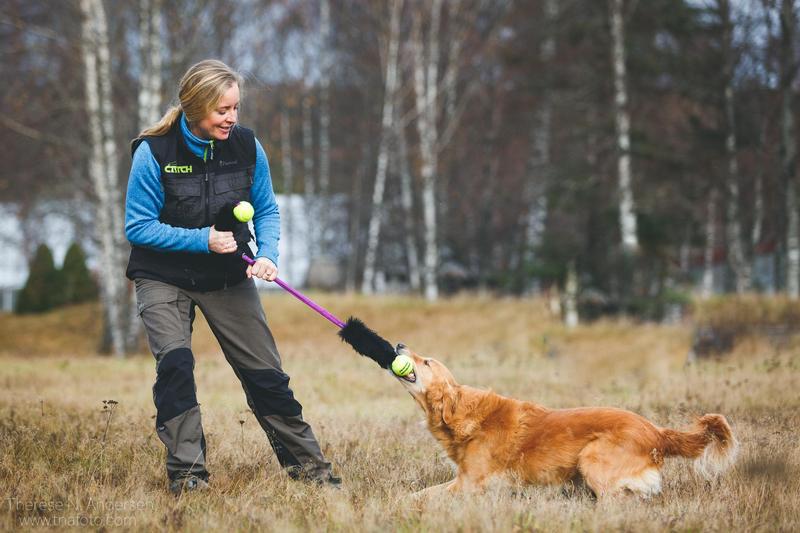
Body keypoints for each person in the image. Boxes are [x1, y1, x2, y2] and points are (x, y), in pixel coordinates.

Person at [125, 59, 338, 494]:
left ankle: (312, 474)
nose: (232, 118)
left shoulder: (246, 146)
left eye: (236, 108)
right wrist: (202, 239)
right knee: (177, 367)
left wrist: (270, 255)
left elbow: (268, 210)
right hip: (163, 275)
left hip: (227, 275)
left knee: (265, 374)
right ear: (194, 106)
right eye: (222, 110)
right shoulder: (155, 152)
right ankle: (188, 478)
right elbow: (138, 226)